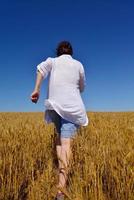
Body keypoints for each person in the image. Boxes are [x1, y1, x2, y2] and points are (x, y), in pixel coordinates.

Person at [30, 41, 88, 200]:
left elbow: (40, 69)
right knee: (66, 143)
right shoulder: (78, 65)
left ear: (58, 52)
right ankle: (61, 191)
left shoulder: (52, 61)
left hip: (54, 106)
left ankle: (60, 167)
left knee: (59, 138)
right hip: (71, 108)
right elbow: (82, 87)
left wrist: (36, 89)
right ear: (71, 52)